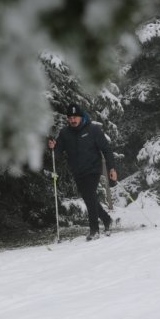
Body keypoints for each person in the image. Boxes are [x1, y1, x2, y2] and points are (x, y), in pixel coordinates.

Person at [48, 103, 118, 241]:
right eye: (70, 118)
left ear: (81, 117)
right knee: (89, 198)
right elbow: (58, 154)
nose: (73, 120)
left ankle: (94, 230)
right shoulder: (65, 133)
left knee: (90, 195)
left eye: (75, 117)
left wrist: (112, 168)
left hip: (93, 169)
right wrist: (53, 147)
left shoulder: (93, 130)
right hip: (78, 171)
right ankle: (106, 219)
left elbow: (106, 149)